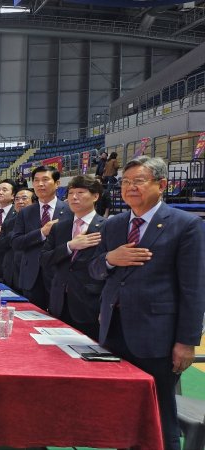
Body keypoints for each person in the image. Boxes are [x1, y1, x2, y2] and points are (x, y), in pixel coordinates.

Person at [89, 156, 205, 450]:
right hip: (113, 332)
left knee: (159, 414)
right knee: (121, 411)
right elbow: (94, 270)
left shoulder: (185, 225)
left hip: (158, 336)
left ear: (161, 184)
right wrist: (109, 259)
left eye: (138, 181)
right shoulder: (114, 225)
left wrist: (186, 341)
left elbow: (193, 289)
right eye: (125, 182)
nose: (130, 188)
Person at [40, 175, 105, 341]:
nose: (74, 197)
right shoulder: (60, 227)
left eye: (81, 192)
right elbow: (45, 259)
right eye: (71, 193)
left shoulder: (106, 226)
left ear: (95, 196)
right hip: (58, 302)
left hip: (89, 305)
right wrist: (69, 246)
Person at [12, 166, 71, 310]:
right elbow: (16, 242)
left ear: (57, 183)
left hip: (60, 277)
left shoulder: (70, 210)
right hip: (31, 276)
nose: (40, 184)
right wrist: (42, 232)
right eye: (36, 180)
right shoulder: (25, 212)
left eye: (45, 180)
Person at [5, 188, 35, 292]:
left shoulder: (39, 221)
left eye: (24, 198)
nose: (20, 202)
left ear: (34, 202)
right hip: (12, 271)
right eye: (17, 199)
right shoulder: (8, 223)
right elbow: (0, 245)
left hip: (32, 271)